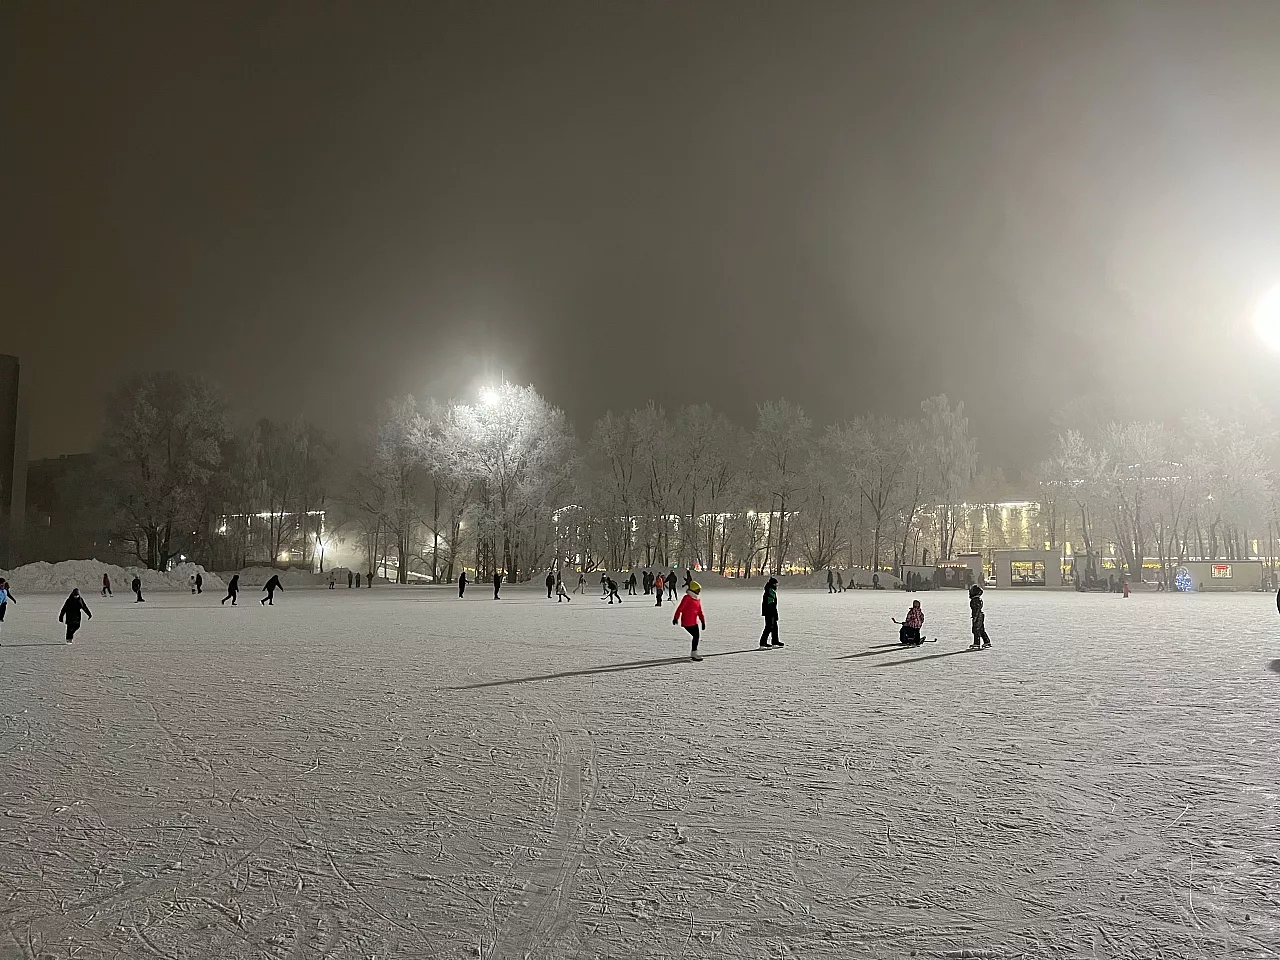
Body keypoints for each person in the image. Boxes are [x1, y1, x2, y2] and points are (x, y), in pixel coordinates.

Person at [673, 580, 707, 662]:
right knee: (696, 636)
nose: (699, 591)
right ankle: (694, 654)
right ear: (694, 590)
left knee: (696, 636)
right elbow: (680, 608)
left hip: (694, 622)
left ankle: (694, 653)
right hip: (687, 622)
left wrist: (702, 621)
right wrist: (676, 618)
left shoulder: (697, 599)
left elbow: (699, 611)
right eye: (698, 590)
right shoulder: (687, 598)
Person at [760, 576, 783, 648]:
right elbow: (770, 604)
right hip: (769, 612)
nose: (777, 586)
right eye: (776, 584)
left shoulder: (771, 590)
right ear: (773, 584)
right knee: (769, 627)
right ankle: (763, 643)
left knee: (775, 627)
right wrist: (774, 613)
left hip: (771, 611)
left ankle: (775, 642)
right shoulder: (770, 591)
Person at [968, 584, 991, 650]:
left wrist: (975, 617)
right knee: (981, 629)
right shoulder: (978, 599)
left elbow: (976, 609)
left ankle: (976, 643)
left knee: (975, 630)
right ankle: (986, 641)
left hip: (977, 616)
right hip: (980, 615)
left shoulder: (974, 600)